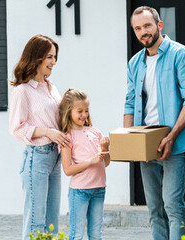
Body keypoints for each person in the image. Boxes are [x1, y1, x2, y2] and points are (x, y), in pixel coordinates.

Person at [124, 6, 185, 240]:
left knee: (173, 205)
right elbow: (130, 103)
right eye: (137, 28)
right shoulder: (135, 63)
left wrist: (171, 136)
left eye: (147, 26)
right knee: (154, 208)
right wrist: (127, 139)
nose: (143, 32)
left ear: (159, 25)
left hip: (175, 141)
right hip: (145, 141)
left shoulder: (183, 55)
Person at [9, 34, 70, 240]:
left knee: (52, 222)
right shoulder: (23, 91)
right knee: (36, 221)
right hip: (37, 157)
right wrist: (47, 132)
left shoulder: (50, 87)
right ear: (37, 58)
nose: (54, 62)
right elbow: (17, 128)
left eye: (54, 57)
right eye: (49, 57)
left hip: (55, 157)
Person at [58, 89, 110, 240]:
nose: (84, 115)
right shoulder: (67, 137)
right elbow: (67, 170)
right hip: (80, 191)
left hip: (99, 189)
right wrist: (90, 161)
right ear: (69, 112)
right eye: (79, 111)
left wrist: (105, 148)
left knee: (96, 234)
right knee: (77, 234)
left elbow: (105, 163)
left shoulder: (96, 132)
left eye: (86, 110)